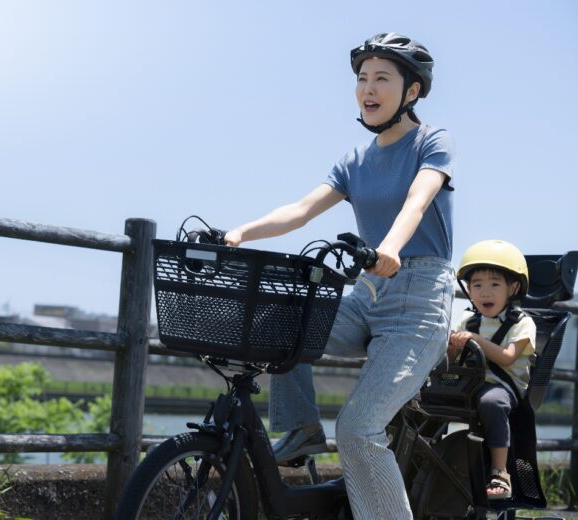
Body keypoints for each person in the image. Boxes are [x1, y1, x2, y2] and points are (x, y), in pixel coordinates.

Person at [223, 32, 455, 518]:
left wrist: (388, 248)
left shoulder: (431, 141)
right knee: (287, 322)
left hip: (419, 298)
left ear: (411, 91)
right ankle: (303, 428)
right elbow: (302, 210)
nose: (368, 88)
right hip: (369, 291)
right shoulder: (355, 159)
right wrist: (243, 231)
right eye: (362, 79)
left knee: (357, 429)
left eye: (382, 79)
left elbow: (419, 199)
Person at [448, 240, 536, 500]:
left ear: (513, 287)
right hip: (469, 382)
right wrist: (451, 347)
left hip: (503, 387)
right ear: (469, 290)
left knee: (492, 402)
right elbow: (453, 363)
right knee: (424, 398)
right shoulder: (467, 320)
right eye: (477, 285)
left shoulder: (522, 323)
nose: (485, 292)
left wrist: (476, 341)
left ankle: (500, 472)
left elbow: (508, 358)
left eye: (494, 284)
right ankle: (422, 462)